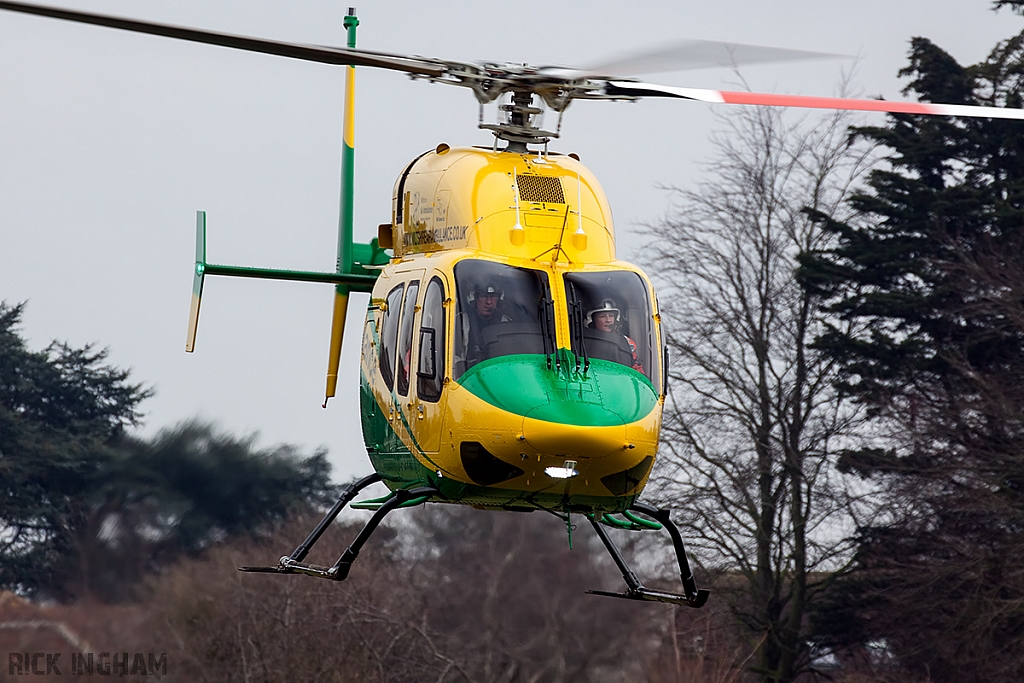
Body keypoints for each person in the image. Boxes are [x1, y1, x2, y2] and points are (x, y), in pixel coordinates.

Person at [587, 299, 643, 373]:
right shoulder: (583, 341)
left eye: (611, 315)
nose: (608, 320)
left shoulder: (628, 342)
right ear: (592, 320)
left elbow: (637, 370)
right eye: (602, 316)